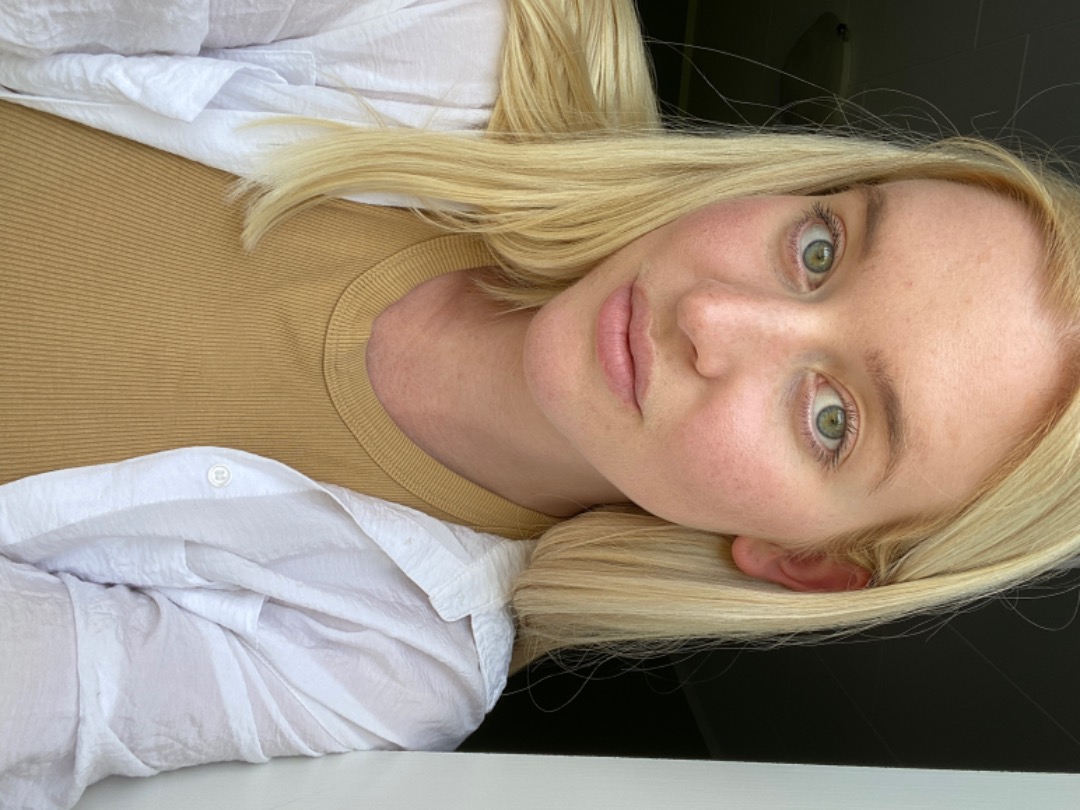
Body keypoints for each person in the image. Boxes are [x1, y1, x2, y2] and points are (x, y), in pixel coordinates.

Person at [2, 0, 1080, 806]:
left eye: (830, 418)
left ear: (803, 561)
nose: (714, 318)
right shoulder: (460, 33)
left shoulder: (384, 662)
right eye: (818, 248)